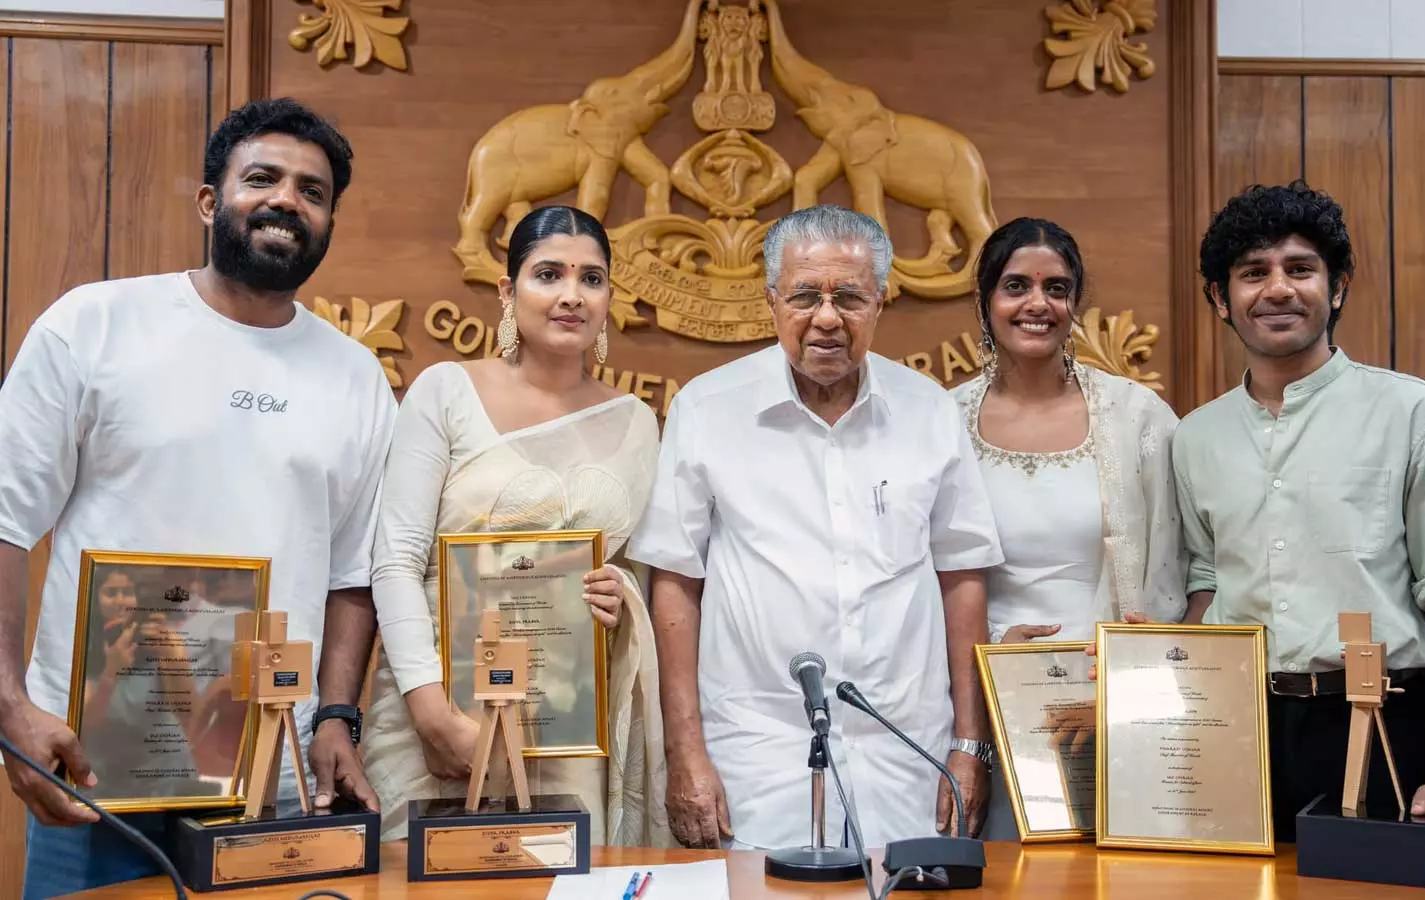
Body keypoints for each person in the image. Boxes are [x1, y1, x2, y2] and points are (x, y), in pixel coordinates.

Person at [0, 97, 396, 899]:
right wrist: (9, 707)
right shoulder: (95, 325)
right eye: (263, 178)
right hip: (96, 774)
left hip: (274, 787)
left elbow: (353, 574)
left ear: (327, 224)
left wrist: (335, 718)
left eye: (313, 192)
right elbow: (6, 523)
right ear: (211, 201)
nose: (288, 199)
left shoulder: (357, 377)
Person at [629, 204, 1005, 852]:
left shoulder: (929, 412)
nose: (827, 318)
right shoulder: (708, 409)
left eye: (849, 297)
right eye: (805, 295)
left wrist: (968, 745)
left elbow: (961, 577)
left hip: (907, 757)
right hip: (756, 758)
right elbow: (675, 581)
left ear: (881, 301)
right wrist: (685, 751)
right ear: (772, 300)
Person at [1173, 180, 1425, 877]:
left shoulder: (1415, 414)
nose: (1278, 289)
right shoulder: (1195, 438)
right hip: (1242, 733)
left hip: (1382, 727)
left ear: (1337, 286)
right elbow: (1206, 584)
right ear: (1221, 300)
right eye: (1253, 273)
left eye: (1300, 268)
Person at [362, 205, 669, 847]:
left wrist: (619, 594)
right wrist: (429, 710)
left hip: (565, 721)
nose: (571, 296)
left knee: (557, 880)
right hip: (439, 707)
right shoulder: (447, 391)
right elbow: (396, 561)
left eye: (591, 279)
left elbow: (635, 569)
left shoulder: (637, 421)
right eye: (548, 274)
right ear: (508, 290)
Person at [949, 217, 1185, 839]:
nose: (1037, 304)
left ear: (1075, 303)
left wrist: (1126, 675)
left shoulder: (1136, 417)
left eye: (1056, 288)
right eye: (1016, 285)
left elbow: (1176, 565)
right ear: (984, 301)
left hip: (1116, 707)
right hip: (985, 705)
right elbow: (928, 578)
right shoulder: (941, 423)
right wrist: (995, 653)